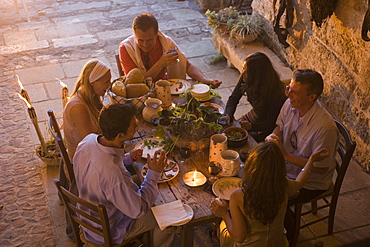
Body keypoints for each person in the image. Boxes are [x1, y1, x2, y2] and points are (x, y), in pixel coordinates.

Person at [73, 103, 174, 246]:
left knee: (140, 183)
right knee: (169, 216)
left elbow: (101, 166)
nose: (137, 126)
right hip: (107, 230)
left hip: (88, 214)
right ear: (120, 135)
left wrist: (127, 158)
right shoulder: (113, 174)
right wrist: (154, 173)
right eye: (134, 126)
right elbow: (138, 210)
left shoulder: (88, 141)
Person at [265, 69, 338, 240]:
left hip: (310, 182)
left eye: (295, 91)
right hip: (287, 168)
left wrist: (286, 156)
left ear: (312, 97)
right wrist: (274, 136)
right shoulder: (291, 103)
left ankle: (290, 236)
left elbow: (321, 168)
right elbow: (280, 126)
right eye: (288, 88)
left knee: (269, 198)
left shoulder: (324, 128)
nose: (288, 94)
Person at [210, 142, 329, 246]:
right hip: (277, 243)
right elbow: (300, 182)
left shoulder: (238, 195)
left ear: (251, 167)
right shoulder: (284, 186)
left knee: (221, 226)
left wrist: (224, 214)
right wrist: (310, 160)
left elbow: (239, 237)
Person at [119, 12, 222, 88]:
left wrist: (204, 79)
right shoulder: (126, 49)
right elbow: (135, 83)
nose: (145, 45)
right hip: (139, 94)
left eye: (149, 40)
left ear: (157, 34)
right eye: (140, 40)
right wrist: (160, 64)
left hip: (165, 87)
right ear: (134, 35)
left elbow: (187, 66)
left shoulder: (166, 43)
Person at [224, 52, 286, 142]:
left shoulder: (275, 94)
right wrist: (228, 115)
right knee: (229, 131)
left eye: (247, 71)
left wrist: (251, 127)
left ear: (257, 75)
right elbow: (233, 98)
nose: (243, 73)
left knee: (245, 141)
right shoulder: (246, 78)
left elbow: (270, 123)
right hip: (255, 115)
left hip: (266, 126)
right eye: (243, 68)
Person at [63, 59, 112, 160]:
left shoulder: (92, 96)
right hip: (83, 161)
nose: (109, 85)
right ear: (93, 82)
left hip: (93, 152)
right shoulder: (78, 108)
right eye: (106, 81)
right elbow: (91, 143)